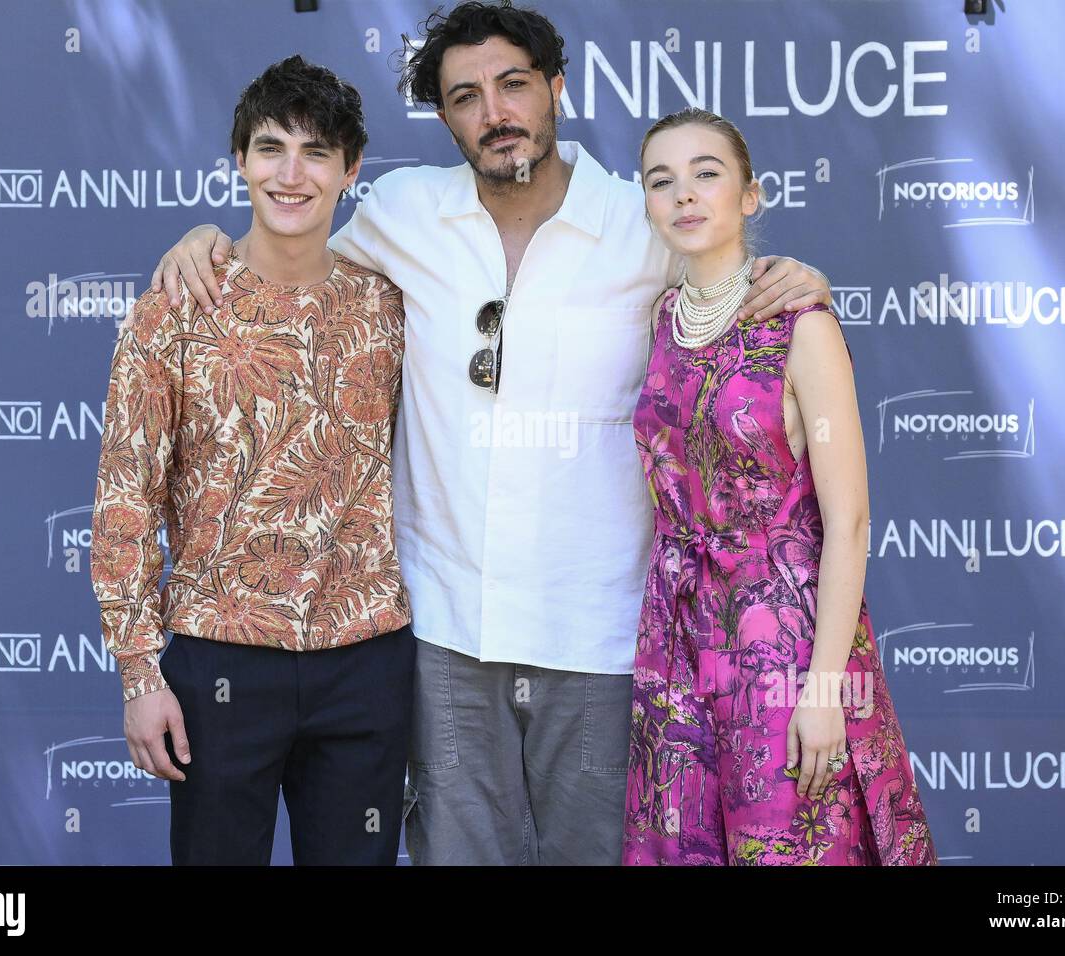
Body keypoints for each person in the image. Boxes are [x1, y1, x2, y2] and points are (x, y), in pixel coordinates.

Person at [151, 1, 833, 865]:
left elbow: (733, 279)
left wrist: (797, 275)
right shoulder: (402, 212)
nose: (494, 112)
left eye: (513, 85)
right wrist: (208, 238)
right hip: (442, 639)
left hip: (599, 635)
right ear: (445, 118)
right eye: (465, 96)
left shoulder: (641, 223)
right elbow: (291, 252)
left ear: (555, 87)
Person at [90, 55, 414, 865]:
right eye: (271, 149)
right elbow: (125, 501)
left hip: (365, 658)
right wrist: (140, 677)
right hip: (217, 665)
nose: (291, 174)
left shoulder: (391, 306)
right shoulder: (174, 310)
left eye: (316, 152)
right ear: (239, 160)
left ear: (352, 167)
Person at [623, 108, 938, 865]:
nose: (685, 195)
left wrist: (826, 690)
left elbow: (850, 521)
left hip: (783, 641)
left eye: (707, 174)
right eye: (662, 181)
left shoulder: (801, 323)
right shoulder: (662, 316)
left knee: (790, 845)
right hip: (677, 634)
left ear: (752, 195)